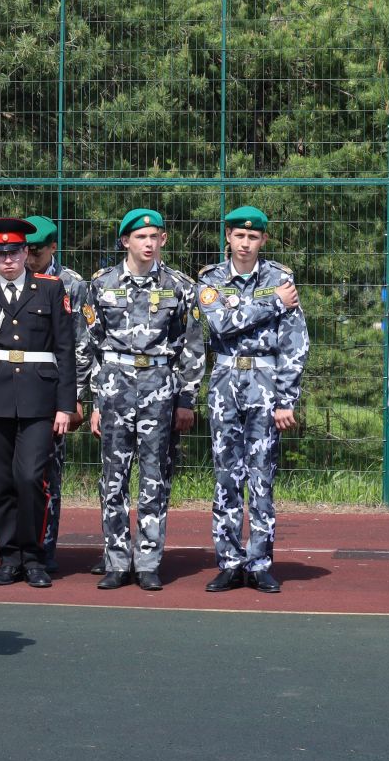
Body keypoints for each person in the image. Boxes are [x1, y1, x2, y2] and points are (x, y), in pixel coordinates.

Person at [79, 208, 205, 591]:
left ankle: (148, 560)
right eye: (141, 237)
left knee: (155, 476)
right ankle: (116, 560)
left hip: (159, 386)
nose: (149, 244)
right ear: (125, 242)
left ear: (163, 240)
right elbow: (89, 343)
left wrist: (186, 398)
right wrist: (92, 400)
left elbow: (193, 345)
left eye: (155, 237)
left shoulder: (180, 286)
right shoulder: (101, 285)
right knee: (112, 479)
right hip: (115, 387)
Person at [197, 206, 308, 595]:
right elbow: (220, 323)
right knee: (226, 477)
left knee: (262, 477)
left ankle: (260, 562)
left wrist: (286, 399)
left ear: (263, 240)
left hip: (266, 381)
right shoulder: (210, 280)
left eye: (253, 237)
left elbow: (295, 344)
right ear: (228, 237)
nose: (245, 243)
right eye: (239, 236)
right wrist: (273, 303)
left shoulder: (281, 278)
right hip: (226, 380)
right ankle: (228, 563)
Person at [0, 218, 75, 589]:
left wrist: (66, 405)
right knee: (3, 483)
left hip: (39, 398)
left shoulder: (50, 289)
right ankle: (9, 557)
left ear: (26, 252)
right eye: (0, 253)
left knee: (31, 478)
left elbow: (65, 350)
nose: (7, 259)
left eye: (14, 251)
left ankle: (35, 555)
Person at [22, 214, 88, 574]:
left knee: (49, 476)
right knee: (17, 476)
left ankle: (45, 550)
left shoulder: (71, 284)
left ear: (53, 248)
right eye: (24, 250)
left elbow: (81, 343)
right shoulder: (14, 277)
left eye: (36, 251)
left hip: (55, 392)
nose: (29, 258)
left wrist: (74, 396)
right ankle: (18, 550)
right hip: (18, 389)